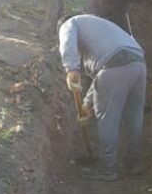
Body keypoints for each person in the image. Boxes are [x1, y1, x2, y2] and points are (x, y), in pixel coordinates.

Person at [57, 14, 147, 181]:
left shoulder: (69, 24)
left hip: (114, 66)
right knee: (134, 117)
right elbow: (101, 78)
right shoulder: (97, 27)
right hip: (138, 64)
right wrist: (86, 105)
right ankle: (134, 162)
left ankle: (107, 169)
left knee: (107, 119)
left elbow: (68, 42)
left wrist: (71, 69)